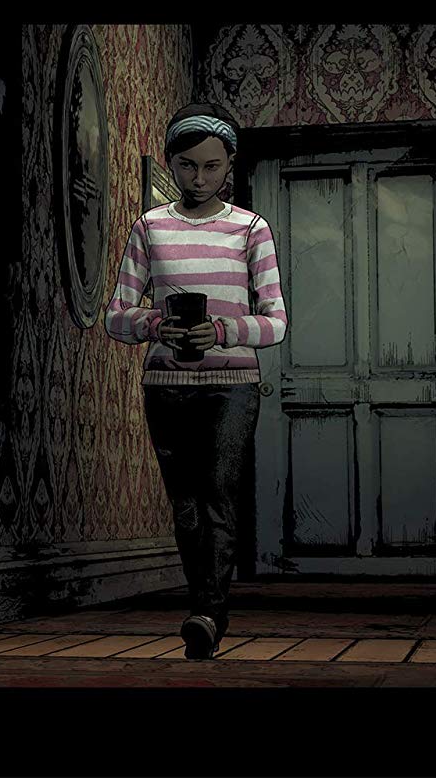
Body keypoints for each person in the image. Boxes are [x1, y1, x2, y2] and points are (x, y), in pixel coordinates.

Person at [102, 101, 288, 660]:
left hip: (233, 386)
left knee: (218, 497)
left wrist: (224, 330)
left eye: (211, 166)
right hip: (165, 385)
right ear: (171, 163)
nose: (199, 178)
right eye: (187, 166)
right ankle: (203, 606)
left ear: (229, 164)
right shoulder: (149, 227)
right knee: (184, 504)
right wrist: (157, 324)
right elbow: (116, 316)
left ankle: (209, 612)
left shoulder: (251, 229)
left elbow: (277, 321)